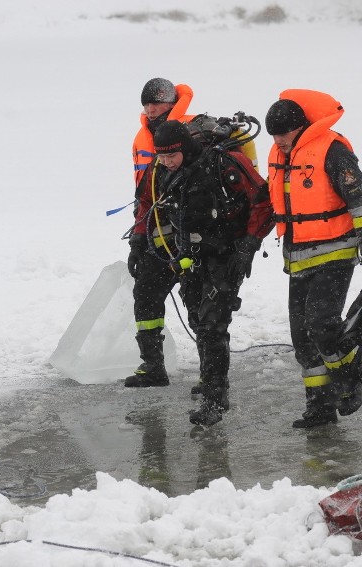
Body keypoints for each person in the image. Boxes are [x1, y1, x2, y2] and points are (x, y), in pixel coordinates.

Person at [131, 119, 274, 426]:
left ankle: (215, 396)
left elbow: (263, 202)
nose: (166, 162)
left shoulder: (224, 164)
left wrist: (249, 245)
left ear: (185, 147)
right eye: (161, 157)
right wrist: (138, 241)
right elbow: (147, 203)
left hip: (227, 254)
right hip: (190, 256)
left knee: (212, 323)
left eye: (171, 156)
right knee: (197, 317)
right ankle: (209, 377)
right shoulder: (161, 171)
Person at [264, 89, 362, 429]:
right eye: (274, 136)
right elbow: (273, 202)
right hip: (298, 257)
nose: (279, 142)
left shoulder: (333, 152)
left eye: (283, 136)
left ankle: (350, 381)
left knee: (322, 323)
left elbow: (361, 202)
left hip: (336, 253)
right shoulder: (281, 153)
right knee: (302, 336)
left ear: (300, 128)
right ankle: (320, 406)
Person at [123, 78, 194, 389]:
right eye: (147, 104)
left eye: (157, 103)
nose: (151, 110)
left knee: (198, 303)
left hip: (192, 235)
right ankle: (153, 366)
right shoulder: (141, 138)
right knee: (146, 296)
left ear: (172, 103)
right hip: (156, 234)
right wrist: (138, 238)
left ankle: (212, 376)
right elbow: (144, 194)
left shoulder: (192, 128)